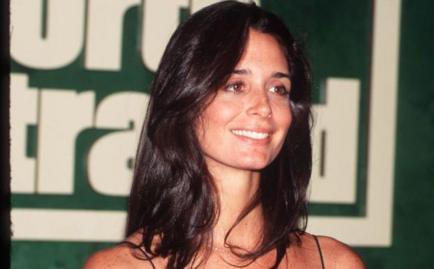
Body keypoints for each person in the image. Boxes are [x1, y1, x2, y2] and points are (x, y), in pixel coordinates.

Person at [83, 1, 365, 268]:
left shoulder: (335, 262)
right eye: (235, 85)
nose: (263, 107)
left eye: (278, 89)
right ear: (186, 99)